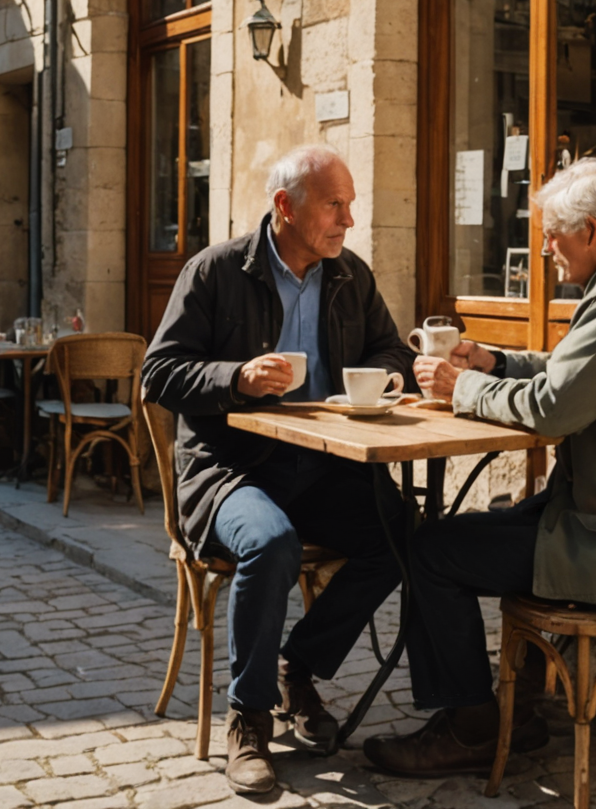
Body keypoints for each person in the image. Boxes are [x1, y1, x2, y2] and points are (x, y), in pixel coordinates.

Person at [363, 158, 596, 776]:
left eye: (552, 234)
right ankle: (520, 707)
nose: (543, 249)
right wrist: (495, 362)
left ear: (591, 231)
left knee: (432, 551)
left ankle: (474, 730)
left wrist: (460, 387)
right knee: (472, 528)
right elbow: (570, 373)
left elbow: (554, 409)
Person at [142, 145, 417, 795]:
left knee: (403, 533)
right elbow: (159, 373)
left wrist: (383, 378)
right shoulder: (215, 271)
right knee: (271, 543)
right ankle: (249, 719)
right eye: (335, 205)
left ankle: (299, 666)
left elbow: (390, 350)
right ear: (285, 206)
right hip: (229, 469)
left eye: (350, 205)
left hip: (323, 465)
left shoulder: (348, 275)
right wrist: (234, 377)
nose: (348, 220)